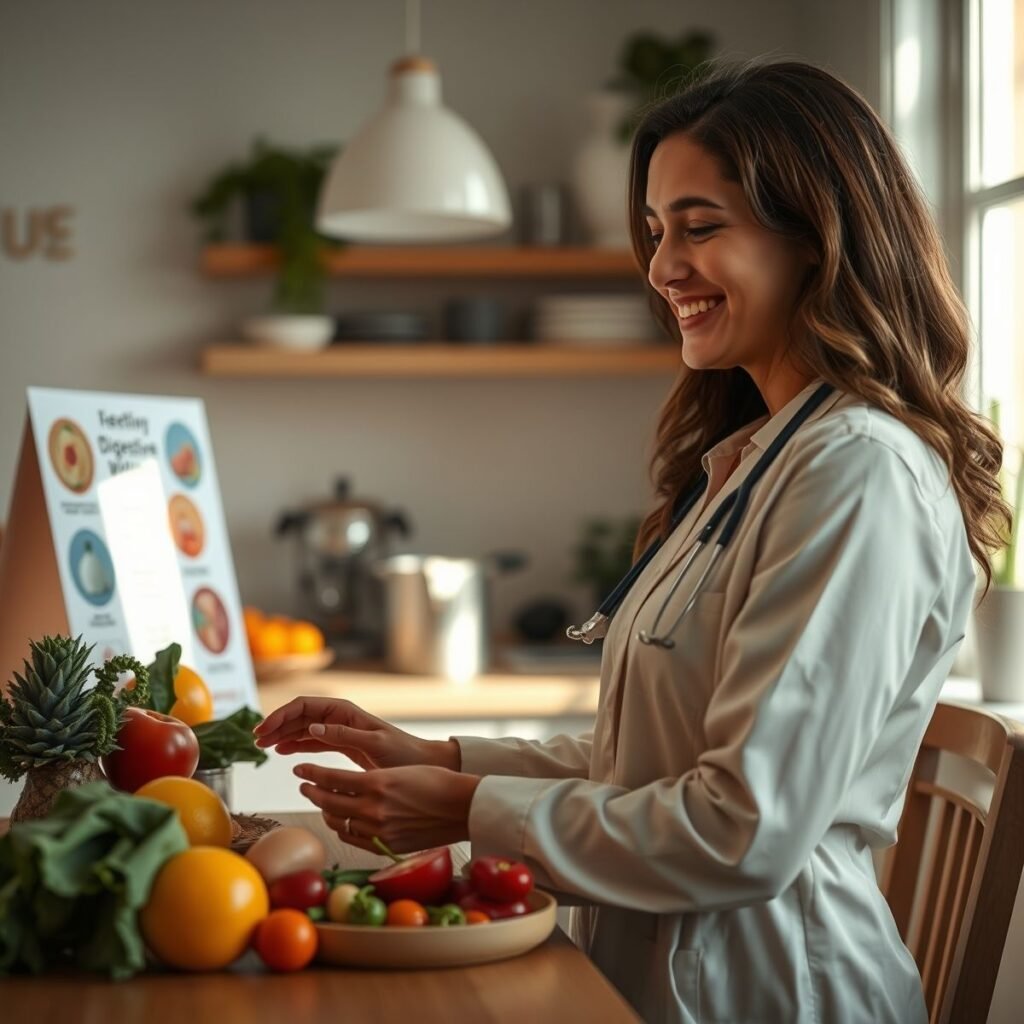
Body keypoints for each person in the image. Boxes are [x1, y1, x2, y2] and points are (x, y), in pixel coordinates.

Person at [254, 60, 1010, 1023]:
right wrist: (444, 757)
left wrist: (462, 810)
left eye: (700, 228)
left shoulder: (855, 474)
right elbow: (652, 764)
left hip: (772, 995)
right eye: (657, 233)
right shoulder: (758, 460)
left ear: (817, 240)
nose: (660, 269)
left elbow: (744, 830)